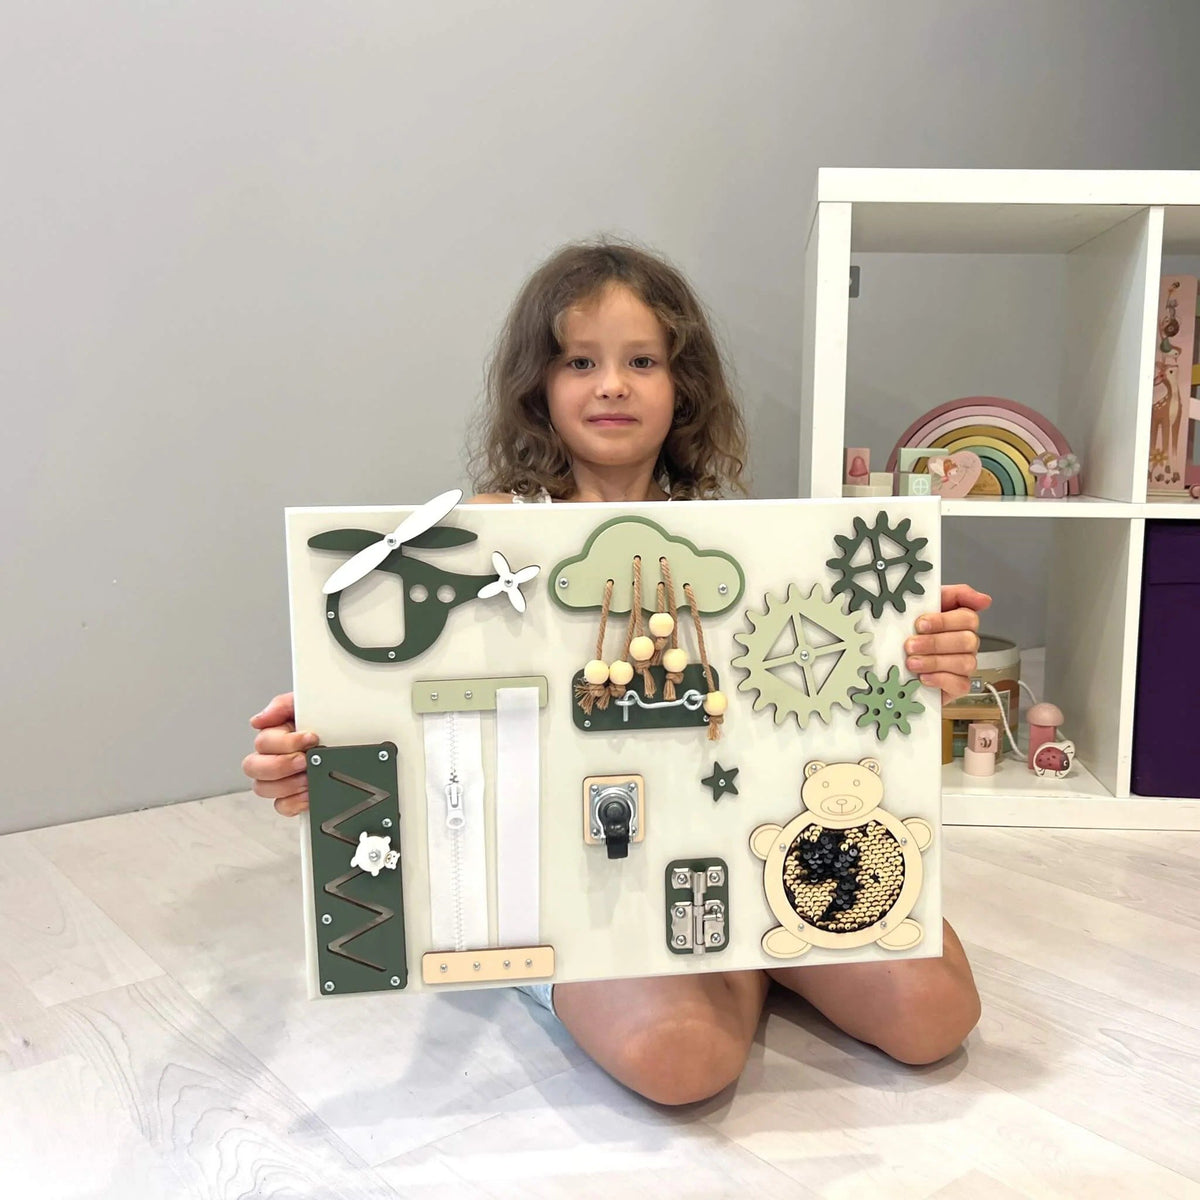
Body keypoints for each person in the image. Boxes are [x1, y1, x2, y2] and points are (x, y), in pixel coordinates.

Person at [244, 239, 989, 1106]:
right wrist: (313, 753)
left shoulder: (744, 542)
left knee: (936, 1016)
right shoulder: (487, 533)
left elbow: (832, 705)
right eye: (579, 362)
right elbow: (394, 692)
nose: (611, 385)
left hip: (750, 852)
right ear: (539, 388)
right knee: (684, 1063)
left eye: (643, 361)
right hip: (580, 884)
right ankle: (700, 970)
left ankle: (744, 956)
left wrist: (925, 652)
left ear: (683, 387)